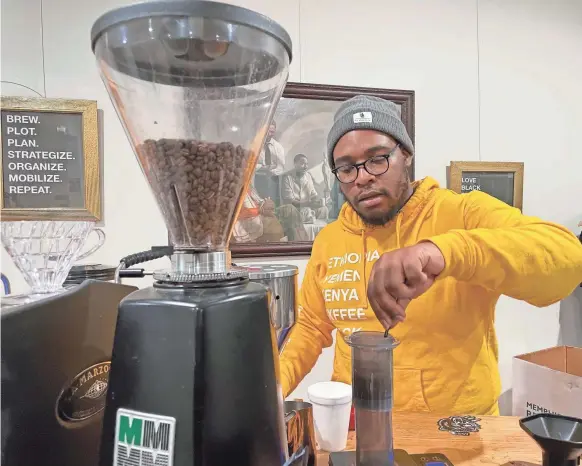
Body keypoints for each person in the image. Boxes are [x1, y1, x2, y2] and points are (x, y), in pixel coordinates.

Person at [279, 95, 582, 415]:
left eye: (377, 158)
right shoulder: (330, 240)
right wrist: (273, 388)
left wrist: (443, 251)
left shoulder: (461, 212)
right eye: (346, 167)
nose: (362, 176)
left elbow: (568, 261)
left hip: (459, 432)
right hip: (359, 426)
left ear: (405, 154)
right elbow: (311, 325)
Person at [282, 153, 329, 220]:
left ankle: (318, 228)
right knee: (303, 211)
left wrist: (318, 201)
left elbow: (313, 194)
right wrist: (308, 203)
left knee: (324, 209)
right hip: (294, 210)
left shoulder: (308, 176)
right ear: (295, 164)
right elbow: (290, 201)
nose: (306, 166)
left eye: (307, 164)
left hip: (307, 208)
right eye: (302, 164)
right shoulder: (287, 178)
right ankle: (308, 221)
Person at [254, 121, 285, 202]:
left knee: (273, 204)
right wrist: (263, 168)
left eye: (272, 132)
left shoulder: (278, 147)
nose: (269, 134)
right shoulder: (255, 145)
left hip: (273, 179)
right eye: (267, 131)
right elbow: (251, 164)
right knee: (259, 203)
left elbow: (281, 167)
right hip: (258, 178)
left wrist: (270, 171)